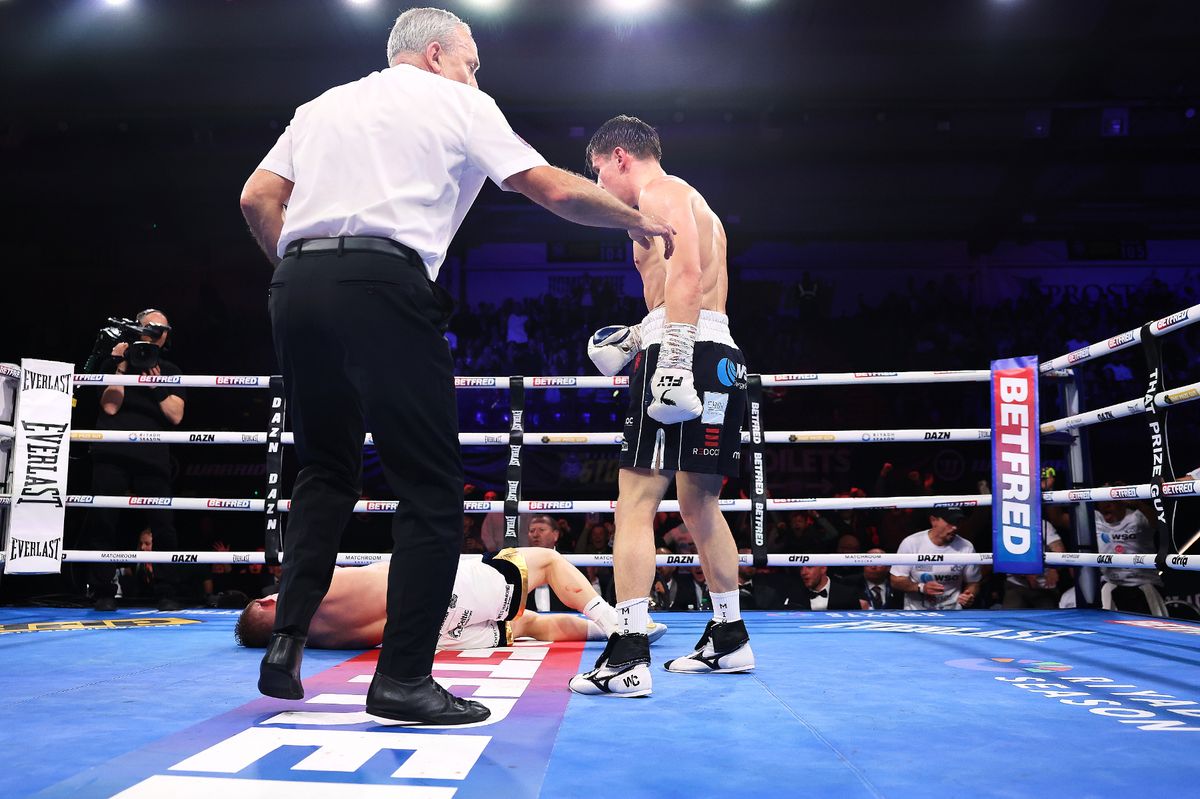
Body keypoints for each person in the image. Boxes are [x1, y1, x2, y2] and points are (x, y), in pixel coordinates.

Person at [239, 9, 674, 725]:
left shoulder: (321, 105)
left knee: (323, 470)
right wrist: (636, 220)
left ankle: (285, 644)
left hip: (297, 286)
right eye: (473, 62)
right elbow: (551, 188)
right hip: (386, 282)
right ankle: (403, 678)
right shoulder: (459, 100)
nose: (479, 75)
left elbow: (257, 197)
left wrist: (302, 270)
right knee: (433, 490)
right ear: (438, 55)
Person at [570, 115, 751, 698]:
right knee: (699, 503)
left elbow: (688, 276)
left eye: (598, 172)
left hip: (686, 351)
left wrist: (669, 356)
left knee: (635, 501)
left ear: (620, 157)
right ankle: (729, 636)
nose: (599, 186)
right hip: (718, 355)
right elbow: (697, 292)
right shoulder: (697, 206)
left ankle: (627, 653)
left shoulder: (662, 193)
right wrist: (637, 335)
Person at [235, 547, 666, 651]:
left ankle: (599, 633)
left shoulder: (319, 639)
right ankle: (617, 625)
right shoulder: (315, 585)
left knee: (530, 624)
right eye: (267, 597)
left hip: (440, 636)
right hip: (443, 590)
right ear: (270, 606)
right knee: (547, 562)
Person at [80, 309, 184, 612]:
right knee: (103, 519)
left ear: (166, 336)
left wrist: (157, 385)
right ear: (136, 330)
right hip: (112, 451)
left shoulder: (170, 368)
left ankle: (167, 591)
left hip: (153, 456)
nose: (155, 334)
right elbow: (110, 408)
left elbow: (176, 414)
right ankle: (102, 590)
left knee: (163, 525)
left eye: (161, 330)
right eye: (149, 329)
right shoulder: (114, 364)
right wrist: (121, 366)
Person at [889, 508, 982, 610]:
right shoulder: (911, 543)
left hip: (952, 613)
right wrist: (921, 587)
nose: (955, 527)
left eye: (957, 522)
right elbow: (896, 580)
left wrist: (968, 595)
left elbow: (973, 582)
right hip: (916, 613)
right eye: (950, 522)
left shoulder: (966, 547)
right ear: (933, 520)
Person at [1094, 494, 1166, 616]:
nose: (1105, 505)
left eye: (1109, 501)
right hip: (1111, 582)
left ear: (1121, 502)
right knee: (1106, 626)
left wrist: (1138, 502)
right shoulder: (1096, 518)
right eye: (1102, 501)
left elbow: (1161, 524)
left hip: (1144, 582)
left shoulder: (1138, 516)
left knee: (1157, 628)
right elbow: (1058, 518)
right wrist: (1049, 488)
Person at [1002, 521, 1066, 609]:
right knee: (1010, 615)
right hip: (1017, 585)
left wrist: (1053, 568)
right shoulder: (1007, 524)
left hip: (1045, 586)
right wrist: (1025, 573)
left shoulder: (1042, 523)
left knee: (1049, 616)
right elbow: (1004, 556)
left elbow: (1058, 548)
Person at [788, 565, 867, 611]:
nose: (803, 572)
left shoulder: (848, 594)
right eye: (801, 568)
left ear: (823, 568)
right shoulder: (795, 596)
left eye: (809, 567)